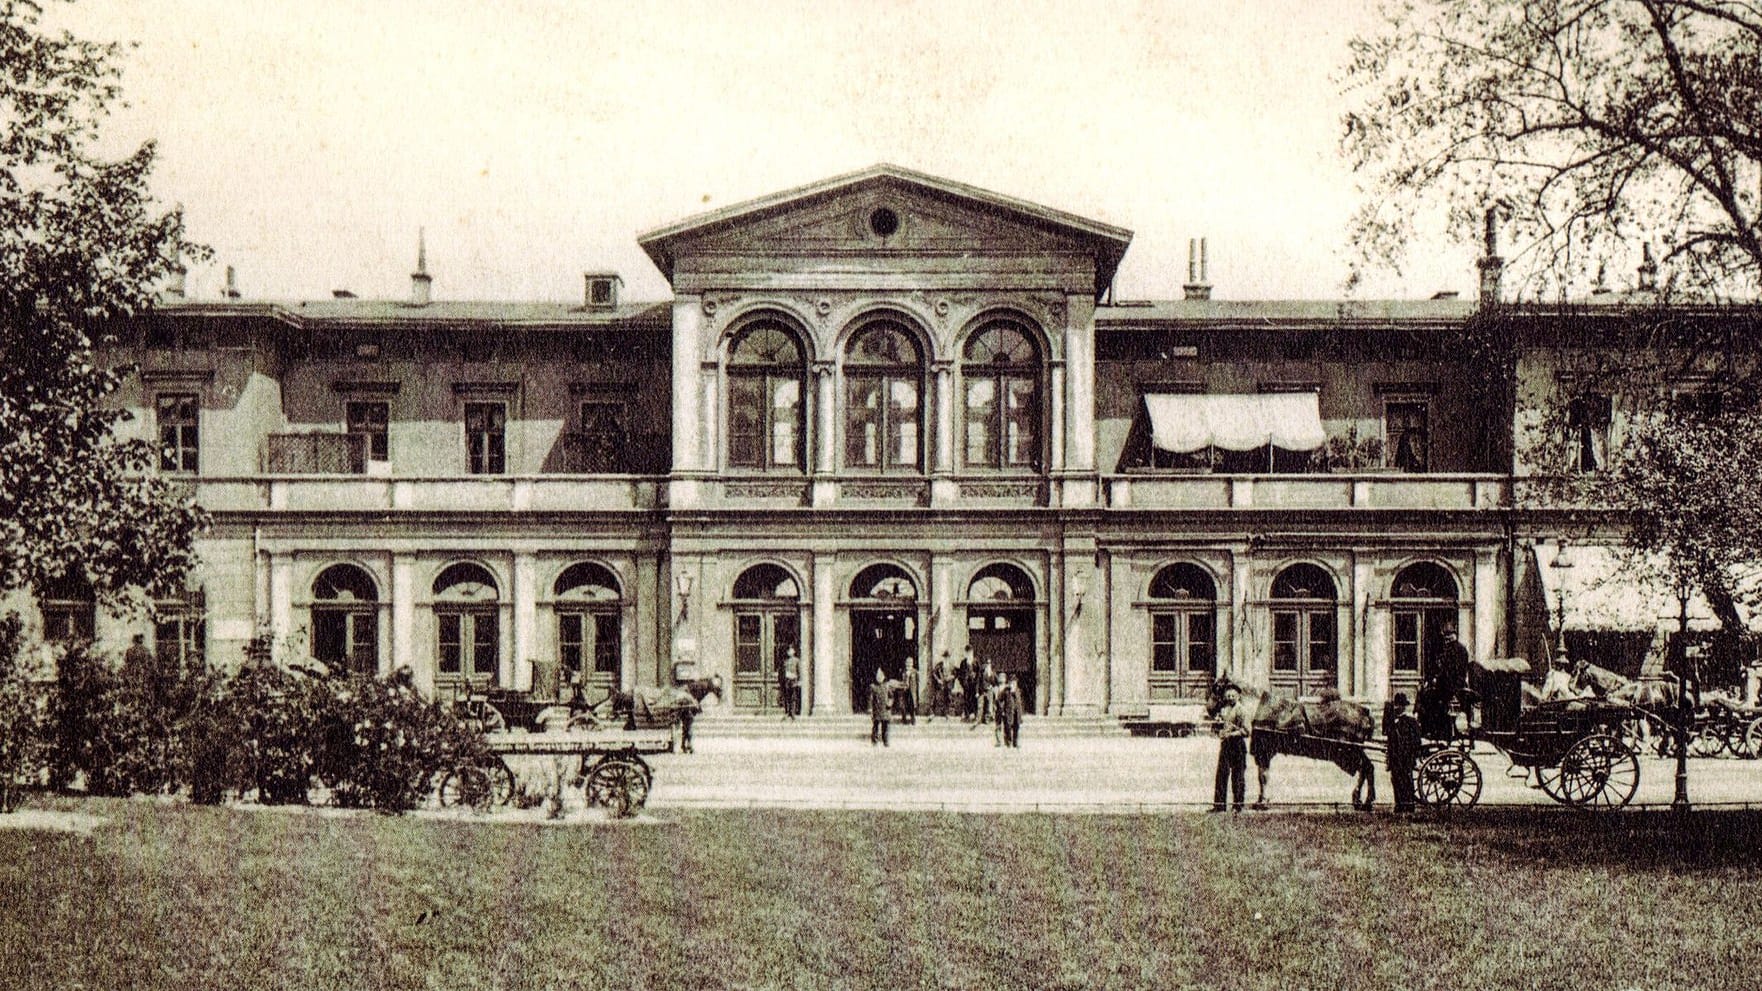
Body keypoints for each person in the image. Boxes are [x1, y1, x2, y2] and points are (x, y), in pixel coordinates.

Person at [1211, 686, 1250, 812]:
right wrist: (1218, 726)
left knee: (1238, 776)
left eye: (1233, 696)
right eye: (1228, 696)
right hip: (1226, 745)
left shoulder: (1241, 710)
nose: (1230, 698)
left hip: (1237, 745)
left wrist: (1231, 734)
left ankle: (1238, 805)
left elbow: (1246, 731)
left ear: (1238, 696)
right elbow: (1218, 727)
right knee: (1221, 774)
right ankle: (1219, 805)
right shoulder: (1223, 710)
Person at [1386, 692, 1422, 813]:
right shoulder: (1392, 722)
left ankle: (1409, 805)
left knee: (1406, 780)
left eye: (1399, 705)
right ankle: (1399, 805)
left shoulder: (1411, 722)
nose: (1396, 708)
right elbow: (1390, 740)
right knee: (1395, 780)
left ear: (1403, 707)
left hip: (1406, 757)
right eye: (1395, 705)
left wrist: (1413, 754)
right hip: (1395, 757)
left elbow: (1416, 740)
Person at [868, 667, 896, 747]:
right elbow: (870, 699)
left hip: (886, 709)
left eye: (881, 676)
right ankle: (874, 741)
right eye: (877, 676)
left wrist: (890, 703)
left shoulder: (887, 686)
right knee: (875, 726)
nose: (879, 678)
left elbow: (891, 697)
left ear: (883, 677)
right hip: (877, 709)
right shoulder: (873, 687)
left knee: (886, 727)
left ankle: (886, 741)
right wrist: (870, 709)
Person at [997, 674, 1024, 748]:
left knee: (1016, 728)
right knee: (1008, 728)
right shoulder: (1006, 691)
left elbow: (1020, 702)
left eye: (1015, 682)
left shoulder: (1018, 691)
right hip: (1008, 712)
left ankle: (1015, 743)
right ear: (1009, 683)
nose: (1013, 684)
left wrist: (1021, 714)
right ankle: (1008, 742)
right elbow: (999, 699)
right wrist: (1002, 709)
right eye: (1012, 682)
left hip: (1017, 712)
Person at [779, 646, 802, 719]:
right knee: (787, 697)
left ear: (794, 652)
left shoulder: (797, 661)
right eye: (788, 651)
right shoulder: (785, 661)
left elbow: (799, 671)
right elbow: (783, 671)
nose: (789, 652)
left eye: (791, 651)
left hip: (794, 680)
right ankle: (788, 712)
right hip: (787, 680)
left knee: (793, 697)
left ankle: (793, 712)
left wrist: (799, 680)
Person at [956, 647, 977, 722]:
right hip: (966, 685)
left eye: (970, 652)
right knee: (966, 699)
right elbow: (960, 674)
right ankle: (966, 714)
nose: (969, 654)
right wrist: (962, 682)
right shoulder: (963, 662)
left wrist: (975, 680)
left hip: (973, 685)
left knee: (973, 699)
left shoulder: (975, 662)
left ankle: (973, 714)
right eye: (967, 653)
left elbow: (978, 673)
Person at [900, 657, 918, 725]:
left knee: (912, 705)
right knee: (903, 705)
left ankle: (913, 719)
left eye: (910, 663)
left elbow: (917, 682)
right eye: (907, 662)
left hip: (912, 691)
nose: (908, 664)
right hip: (904, 691)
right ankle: (904, 719)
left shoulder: (915, 672)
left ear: (912, 664)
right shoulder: (902, 671)